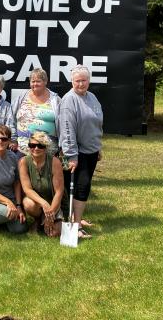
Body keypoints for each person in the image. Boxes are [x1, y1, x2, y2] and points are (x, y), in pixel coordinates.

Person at [59, 65, 103, 239]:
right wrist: (72, 155)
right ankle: (75, 226)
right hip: (77, 153)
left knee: (84, 186)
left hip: (92, 150)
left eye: (84, 80)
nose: (81, 84)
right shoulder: (69, 100)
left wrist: (98, 147)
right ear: (72, 82)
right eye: (77, 81)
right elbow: (67, 129)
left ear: (89, 81)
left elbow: (97, 123)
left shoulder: (92, 97)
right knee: (80, 187)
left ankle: (78, 218)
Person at [18, 132, 64, 237]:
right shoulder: (23, 162)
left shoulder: (55, 162)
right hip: (37, 202)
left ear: (46, 147)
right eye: (32, 145)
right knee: (28, 204)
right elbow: (27, 189)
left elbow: (59, 192)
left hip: (53, 202)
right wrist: (43, 203)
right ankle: (38, 220)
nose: (36, 148)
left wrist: (50, 213)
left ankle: (50, 220)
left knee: (54, 234)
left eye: (40, 146)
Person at [13, 68, 61, 156]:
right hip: (23, 150)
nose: (35, 84)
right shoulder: (22, 97)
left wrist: (62, 146)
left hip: (48, 151)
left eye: (38, 81)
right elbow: (11, 119)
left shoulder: (55, 99)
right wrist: (13, 140)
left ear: (45, 82)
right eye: (33, 81)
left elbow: (62, 124)